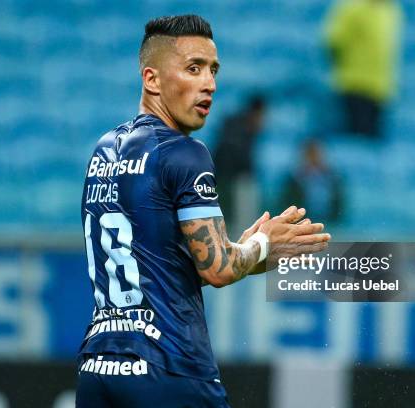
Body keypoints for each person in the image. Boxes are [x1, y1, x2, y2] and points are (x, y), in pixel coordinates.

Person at [75, 15, 331, 407]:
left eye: (213, 70)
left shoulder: (104, 149)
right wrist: (261, 244)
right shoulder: (185, 153)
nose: (208, 83)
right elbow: (217, 268)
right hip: (169, 365)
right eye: (193, 68)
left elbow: (163, 262)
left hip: (99, 367)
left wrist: (243, 254)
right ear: (152, 79)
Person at [324, 0, 403, 138]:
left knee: (372, 141)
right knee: (353, 139)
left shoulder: (392, 10)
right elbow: (333, 43)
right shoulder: (352, 7)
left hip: (380, 90)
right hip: (353, 86)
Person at [213, 95, 266, 232]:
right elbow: (231, 157)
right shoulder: (238, 128)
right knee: (236, 224)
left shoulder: (243, 127)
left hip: (229, 179)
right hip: (230, 181)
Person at [282, 141, 343, 224]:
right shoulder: (292, 181)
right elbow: (286, 206)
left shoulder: (334, 180)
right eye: (310, 154)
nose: (314, 158)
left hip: (331, 225)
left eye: (316, 154)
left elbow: (340, 207)